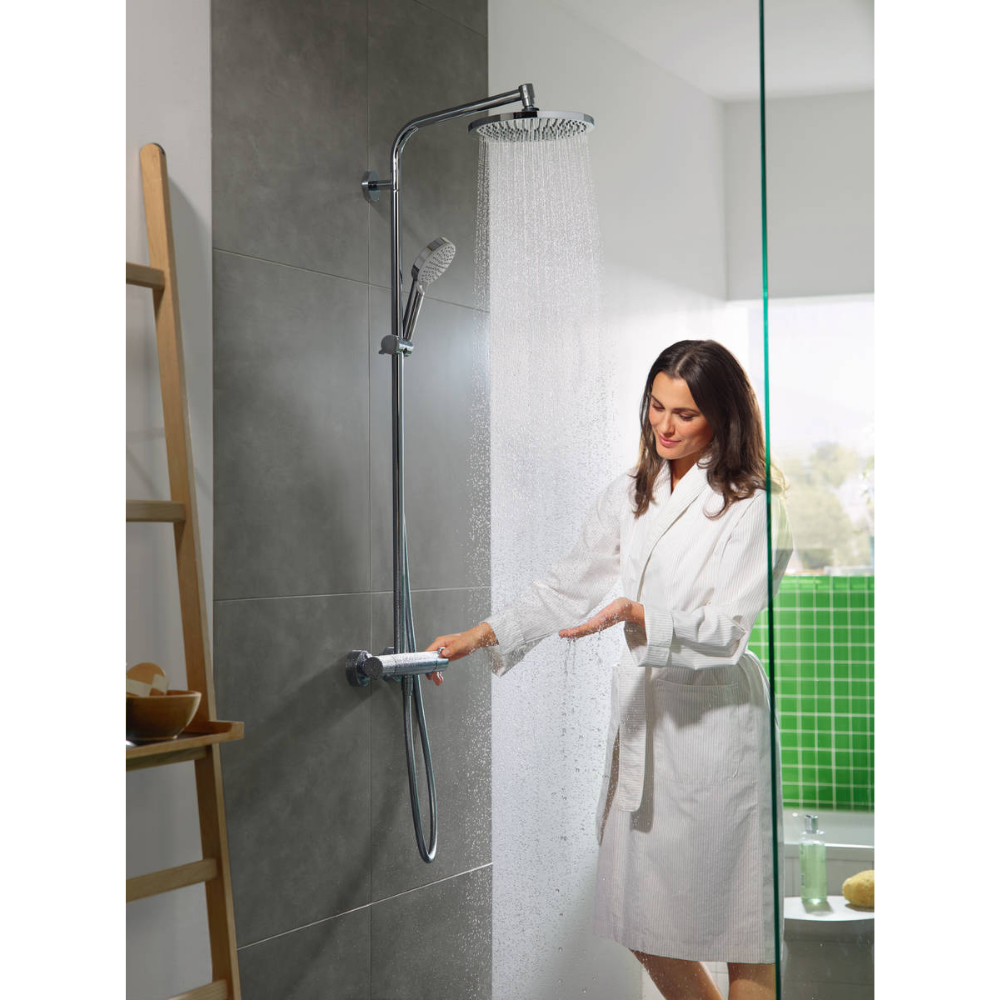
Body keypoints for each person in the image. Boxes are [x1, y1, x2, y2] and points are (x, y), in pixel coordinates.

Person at [426, 339, 792, 1000]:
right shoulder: (633, 492)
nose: (665, 426)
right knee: (637, 916)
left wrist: (640, 614)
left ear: (723, 417)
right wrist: (481, 635)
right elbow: (568, 584)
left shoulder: (752, 504)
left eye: (685, 414)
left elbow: (730, 631)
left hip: (716, 722)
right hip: (644, 718)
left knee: (743, 929)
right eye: (656, 406)